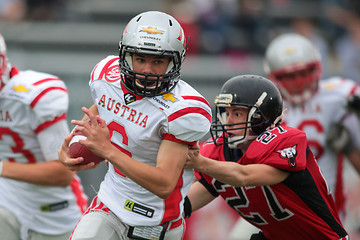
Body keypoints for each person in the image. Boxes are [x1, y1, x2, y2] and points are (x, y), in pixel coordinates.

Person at [58, 11, 212, 240]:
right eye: (140, 59)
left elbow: (163, 183)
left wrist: (107, 150)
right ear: (126, 56)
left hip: (157, 226)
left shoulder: (183, 109)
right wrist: (70, 146)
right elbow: (98, 110)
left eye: (158, 61)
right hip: (109, 207)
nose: (147, 70)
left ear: (175, 61)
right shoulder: (106, 79)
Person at [229, 32, 360, 239]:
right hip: (272, 204)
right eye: (289, 76)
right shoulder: (263, 105)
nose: (298, 82)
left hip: (321, 207)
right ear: (273, 76)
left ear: (317, 67)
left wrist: (348, 146)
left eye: (304, 73)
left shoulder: (340, 96)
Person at [185, 74, 349, 240]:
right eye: (226, 113)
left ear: (261, 118)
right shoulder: (218, 152)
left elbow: (244, 175)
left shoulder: (285, 141)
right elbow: (184, 204)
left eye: (237, 114)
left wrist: (199, 162)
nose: (228, 122)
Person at [0, 33, 88, 240]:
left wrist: (1, 168)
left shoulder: (31, 95)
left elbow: (62, 171)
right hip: (7, 202)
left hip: (53, 213)